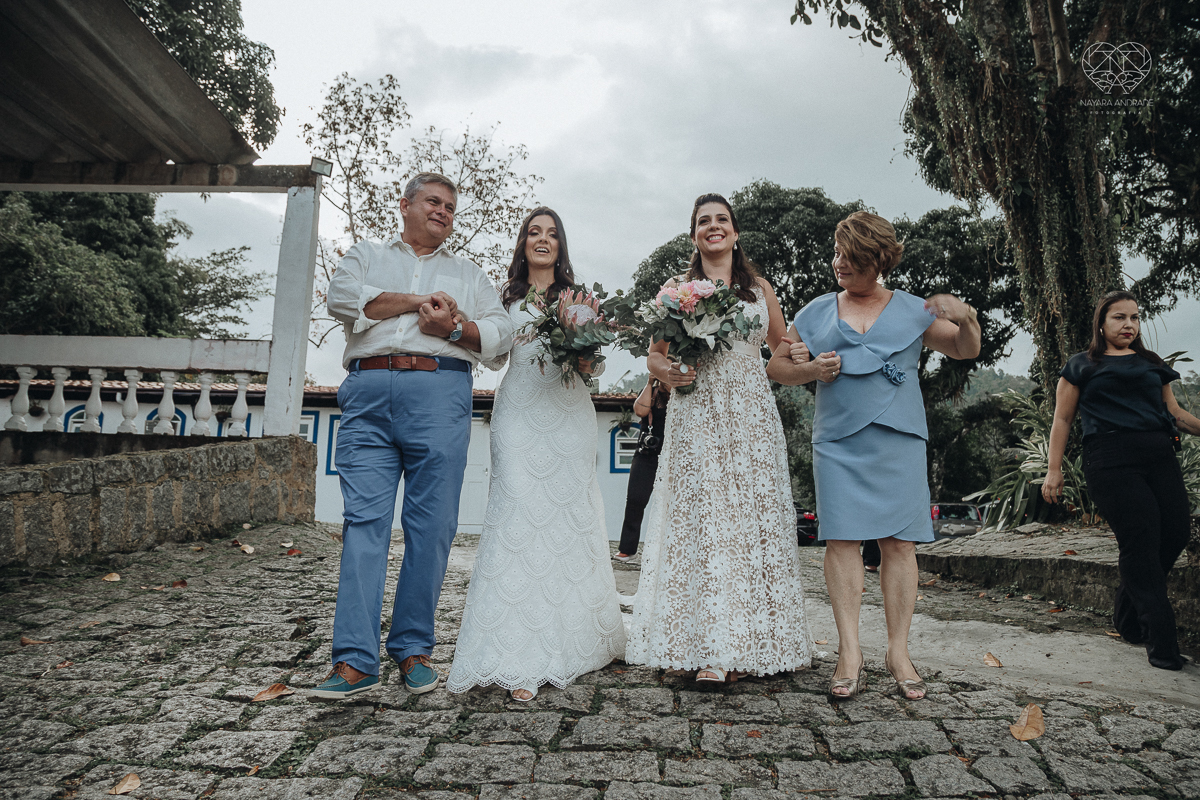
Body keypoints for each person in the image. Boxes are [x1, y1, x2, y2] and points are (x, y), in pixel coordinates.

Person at [312, 172, 515, 699]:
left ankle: (413, 648)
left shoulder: (470, 274)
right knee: (364, 523)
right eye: (433, 201)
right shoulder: (366, 253)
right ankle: (354, 661)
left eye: (450, 206)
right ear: (404, 205)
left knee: (433, 526)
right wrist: (417, 300)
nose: (444, 211)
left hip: (441, 392)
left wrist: (452, 328)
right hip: (369, 391)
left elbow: (498, 338)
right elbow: (343, 298)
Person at [767, 211, 980, 701]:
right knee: (841, 541)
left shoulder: (913, 310)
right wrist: (813, 370)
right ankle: (849, 652)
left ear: (878, 261)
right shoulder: (815, 313)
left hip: (899, 438)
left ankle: (898, 652)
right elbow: (778, 367)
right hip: (838, 441)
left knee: (900, 545)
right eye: (838, 253)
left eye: (852, 258)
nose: (840, 263)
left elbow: (964, 349)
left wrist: (965, 315)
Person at [626, 193, 812, 683]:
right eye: (703, 221)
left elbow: (779, 351)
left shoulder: (759, 291)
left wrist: (803, 350)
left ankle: (744, 645)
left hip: (750, 416)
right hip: (697, 413)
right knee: (702, 522)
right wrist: (670, 372)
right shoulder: (676, 289)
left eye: (721, 220)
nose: (714, 227)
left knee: (745, 521)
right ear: (694, 235)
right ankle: (697, 644)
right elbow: (654, 356)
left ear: (734, 232)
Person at [446, 207, 627, 701]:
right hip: (519, 415)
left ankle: (571, 638)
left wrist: (586, 355)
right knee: (518, 518)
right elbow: (493, 355)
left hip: (569, 414)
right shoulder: (503, 298)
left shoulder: (578, 299)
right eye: (534, 232)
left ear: (561, 245)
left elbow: (592, 369)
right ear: (523, 242)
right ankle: (514, 650)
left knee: (567, 519)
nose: (542, 240)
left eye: (551, 234)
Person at [1042, 290, 1199, 671]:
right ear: (1101, 323)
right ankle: (1161, 644)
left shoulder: (1151, 363)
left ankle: (1128, 618)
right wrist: (1054, 469)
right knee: (1141, 539)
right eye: (1119, 318)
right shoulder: (1081, 365)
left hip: (1159, 457)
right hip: (1111, 462)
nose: (1129, 324)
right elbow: (1062, 420)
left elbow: (1175, 411)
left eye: (1134, 318)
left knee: (1176, 531)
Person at [613, 377, 670, 562]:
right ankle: (627, 549)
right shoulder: (652, 394)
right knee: (636, 499)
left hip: (674, 454)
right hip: (647, 455)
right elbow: (639, 411)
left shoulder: (684, 393)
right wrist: (649, 383)